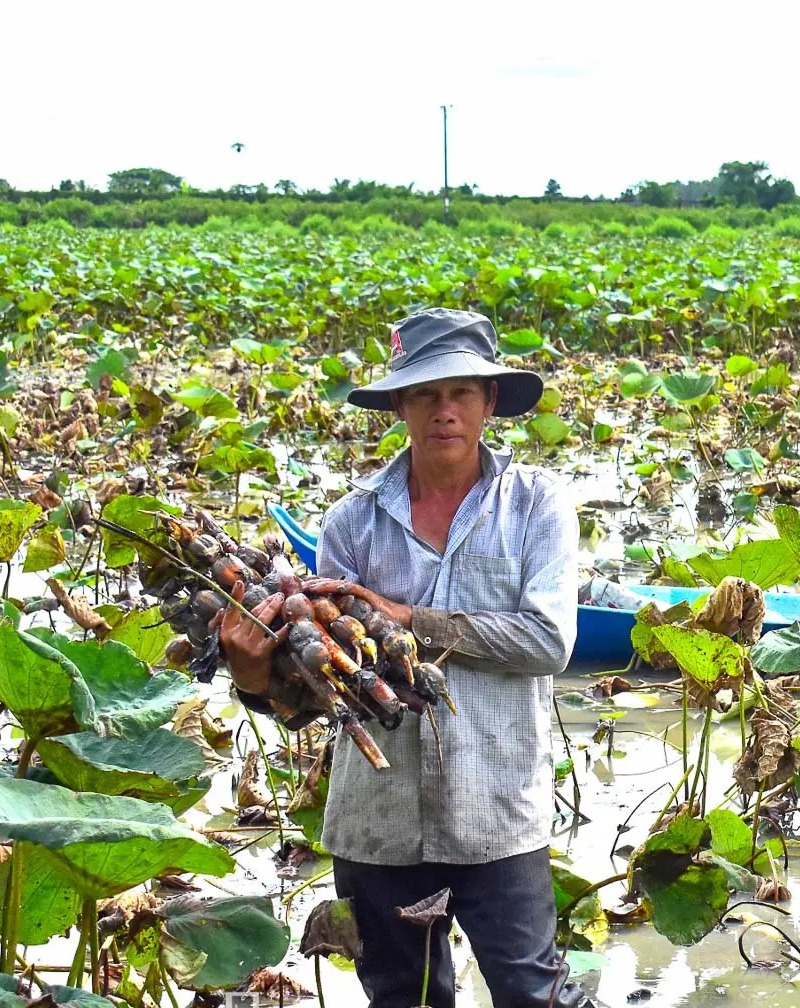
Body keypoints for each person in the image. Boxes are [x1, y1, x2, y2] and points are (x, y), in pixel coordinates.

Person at [220, 308, 591, 1008]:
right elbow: (328, 692)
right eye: (424, 393)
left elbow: (548, 642)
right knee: (404, 998)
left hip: (497, 813)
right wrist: (253, 679)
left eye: (460, 393)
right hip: (378, 822)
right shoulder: (351, 522)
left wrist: (407, 618)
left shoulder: (537, 506)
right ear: (399, 404)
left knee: (530, 994)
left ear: (489, 403)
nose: (443, 410)